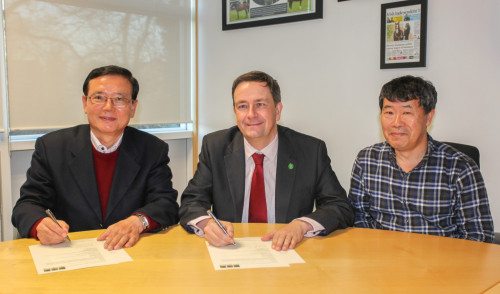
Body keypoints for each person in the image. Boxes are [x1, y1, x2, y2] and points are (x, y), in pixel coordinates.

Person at [179, 71, 353, 251]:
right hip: (232, 249)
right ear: (235, 112)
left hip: (289, 251)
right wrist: (207, 224)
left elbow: (339, 207)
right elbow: (191, 202)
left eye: (260, 104)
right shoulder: (215, 146)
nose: (251, 114)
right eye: (242, 106)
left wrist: (301, 226)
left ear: (277, 111)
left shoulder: (310, 151)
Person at [12, 65, 179, 249]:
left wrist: (137, 222)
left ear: (133, 107)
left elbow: (166, 204)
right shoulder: (52, 147)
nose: (108, 107)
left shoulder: (152, 149)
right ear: (85, 103)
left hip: (130, 252)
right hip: (71, 252)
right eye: (99, 97)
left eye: (119, 99)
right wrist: (40, 225)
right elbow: (27, 205)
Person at [348, 75, 494, 242]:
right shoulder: (366, 160)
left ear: (429, 117)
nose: (396, 122)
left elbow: (478, 237)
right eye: (389, 112)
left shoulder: (460, 167)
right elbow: (357, 220)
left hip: (440, 264)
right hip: (382, 261)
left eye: (407, 112)